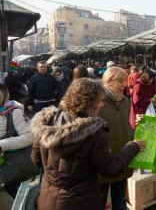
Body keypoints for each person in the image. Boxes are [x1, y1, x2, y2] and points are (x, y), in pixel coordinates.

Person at [30, 78, 145, 210]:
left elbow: (36, 160)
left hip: (48, 200)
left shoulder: (46, 122)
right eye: (100, 100)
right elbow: (111, 169)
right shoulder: (94, 132)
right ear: (88, 102)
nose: (102, 105)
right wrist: (131, 147)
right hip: (82, 201)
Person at [97, 66, 135, 210]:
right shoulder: (98, 102)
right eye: (120, 81)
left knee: (120, 201)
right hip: (103, 160)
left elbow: (126, 124)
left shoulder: (125, 101)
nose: (124, 85)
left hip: (122, 156)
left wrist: (132, 134)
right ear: (108, 82)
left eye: (124, 81)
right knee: (99, 202)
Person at [0, 84, 33, 198]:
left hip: (10, 164)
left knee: (16, 194)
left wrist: (3, 144)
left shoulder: (14, 113)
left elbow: (30, 136)